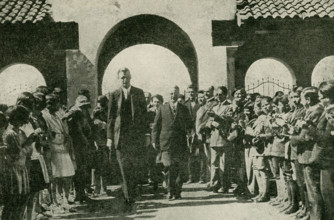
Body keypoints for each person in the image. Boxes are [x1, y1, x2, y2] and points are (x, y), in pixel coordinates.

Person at [107, 67, 147, 211]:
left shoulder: (138, 93)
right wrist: (109, 137)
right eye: (122, 77)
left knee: (134, 167)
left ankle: (132, 193)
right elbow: (111, 118)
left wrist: (145, 135)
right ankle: (128, 197)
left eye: (127, 77)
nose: (124, 80)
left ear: (131, 78)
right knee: (123, 168)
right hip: (120, 139)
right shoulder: (114, 94)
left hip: (135, 139)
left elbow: (144, 117)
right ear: (119, 79)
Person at [152, 86, 192, 200]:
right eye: (170, 93)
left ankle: (178, 191)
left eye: (175, 93)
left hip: (180, 143)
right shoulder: (162, 108)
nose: (172, 95)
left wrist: (189, 134)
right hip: (166, 142)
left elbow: (189, 125)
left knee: (179, 167)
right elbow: (156, 126)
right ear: (167, 95)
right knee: (168, 167)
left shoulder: (184, 109)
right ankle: (170, 191)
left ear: (178, 94)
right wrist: (154, 140)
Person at [2, 105, 39, 220]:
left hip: (22, 169)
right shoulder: (10, 134)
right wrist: (28, 142)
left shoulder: (20, 132)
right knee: (14, 200)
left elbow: (27, 152)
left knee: (23, 198)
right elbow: (14, 155)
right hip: (13, 170)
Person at [42, 95, 75, 212]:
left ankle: (65, 199)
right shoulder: (44, 115)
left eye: (53, 102)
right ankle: (56, 201)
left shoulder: (58, 115)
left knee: (67, 175)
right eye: (48, 102)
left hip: (63, 147)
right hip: (53, 147)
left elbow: (65, 131)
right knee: (55, 177)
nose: (51, 105)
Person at [63, 95, 92, 203]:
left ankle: (81, 193)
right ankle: (79, 194)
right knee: (79, 169)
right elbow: (64, 119)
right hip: (76, 144)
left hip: (82, 143)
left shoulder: (80, 112)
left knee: (82, 169)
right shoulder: (75, 111)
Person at [206, 86, 233, 193]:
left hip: (224, 139)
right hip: (214, 139)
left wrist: (216, 117)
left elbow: (228, 119)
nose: (218, 97)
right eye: (216, 95)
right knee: (214, 163)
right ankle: (215, 184)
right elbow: (208, 122)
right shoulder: (214, 107)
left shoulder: (229, 106)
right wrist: (211, 123)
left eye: (220, 94)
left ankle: (224, 185)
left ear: (225, 95)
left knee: (224, 163)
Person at [92, 95, 110, 196]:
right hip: (99, 143)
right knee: (100, 166)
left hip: (102, 143)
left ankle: (101, 188)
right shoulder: (98, 119)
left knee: (102, 166)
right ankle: (99, 188)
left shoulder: (101, 115)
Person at [184, 85, 202, 183]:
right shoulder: (184, 105)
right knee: (189, 155)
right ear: (186, 93)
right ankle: (190, 176)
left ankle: (199, 176)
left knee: (198, 154)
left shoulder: (199, 105)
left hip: (197, 132)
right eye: (189, 92)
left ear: (195, 93)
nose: (191, 94)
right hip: (188, 132)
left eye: (192, 92)